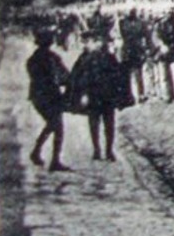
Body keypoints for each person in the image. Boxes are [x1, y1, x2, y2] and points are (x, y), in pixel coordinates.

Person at [68, 30, 131, 161]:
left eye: (89, 42)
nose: (86, 45)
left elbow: (118, 75)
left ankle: (109, 150)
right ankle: (97, 150)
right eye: (85, 42)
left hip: (107, 96)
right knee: (94, 124)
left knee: (109, 124)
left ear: (98, 42)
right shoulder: (83, 58)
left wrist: (118, 94)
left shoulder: (109, 57)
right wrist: (83, 94)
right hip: (93, 96)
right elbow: (77, 78)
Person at [26, 27, 70, 171]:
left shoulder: (33, 59)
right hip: (50, 96)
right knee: (57, 126)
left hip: (37, 96)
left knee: (53, 125)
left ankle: (37, 152)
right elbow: (62, 76)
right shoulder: (52, 58)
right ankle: (53, 160)